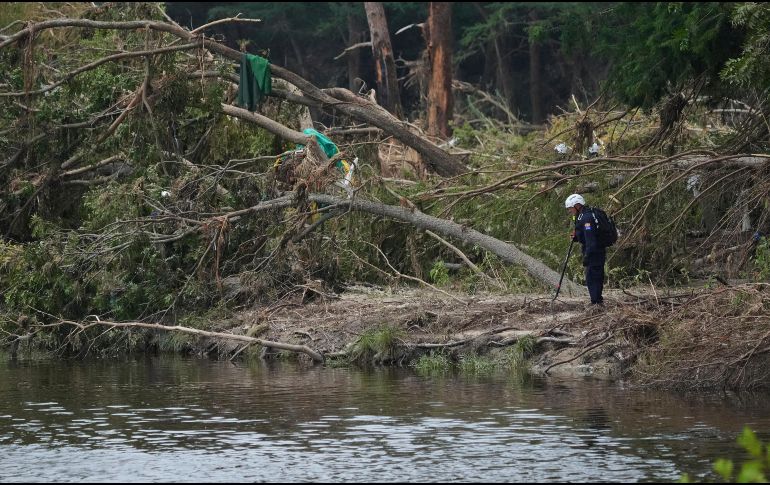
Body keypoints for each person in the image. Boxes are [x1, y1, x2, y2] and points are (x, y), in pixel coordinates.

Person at [565, 193, 605, 307]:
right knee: (594, 275)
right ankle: (597, 300)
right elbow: (584, 235)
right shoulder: (582, 216)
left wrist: (588, 255)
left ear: (577, 205)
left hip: (595, 252)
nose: (570, 211)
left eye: (570, 208)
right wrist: (576, 237)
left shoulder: (587, 219)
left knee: (593, 277)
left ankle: (596, 302)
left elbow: (590, 239)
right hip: (594, 250)